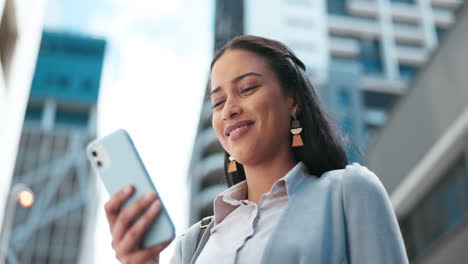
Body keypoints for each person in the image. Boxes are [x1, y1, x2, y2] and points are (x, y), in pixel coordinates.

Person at [104, 35, 409, 264]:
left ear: (293, 100)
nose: (229, 110)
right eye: (218, 102)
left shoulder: (350, 191)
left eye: (247, 89)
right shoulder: (193, 243)